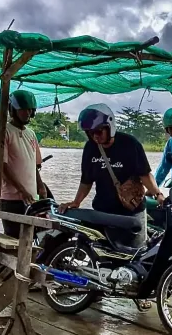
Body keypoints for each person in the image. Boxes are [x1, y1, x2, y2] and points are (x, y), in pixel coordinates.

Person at [60, 103, 165, 247]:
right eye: (91, 133)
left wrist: (158, 194)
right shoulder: (91, 148)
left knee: (135, 256)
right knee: (104, 255)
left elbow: (145, 175)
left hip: (131, 213)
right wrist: (76, 201)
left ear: (110, 126)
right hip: (103, 212)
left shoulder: (130, 144)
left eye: (99, 131)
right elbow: (86, 180)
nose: (95, 136)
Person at [0, 89, 47, 238]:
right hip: (11, 200)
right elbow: (2, 166)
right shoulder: (4, 132)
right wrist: (21, 190)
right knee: (13, 242)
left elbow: (34, 165)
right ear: (13, 110)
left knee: (32, 240)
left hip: (31, 198)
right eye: (23, 110)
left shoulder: (31, 134)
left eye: (30, 110)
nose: (27, 113)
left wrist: (41, 186)